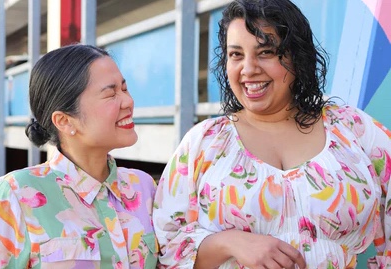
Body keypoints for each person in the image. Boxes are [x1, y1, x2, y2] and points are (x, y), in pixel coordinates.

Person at [152, 0, 391, 268]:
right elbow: (165, 246)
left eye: (265, 52)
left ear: (296, 57)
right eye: (236, 55)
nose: (249, 69)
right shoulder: (204, 143)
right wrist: (228, 242)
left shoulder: (351, 129)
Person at [0, 44, 158, 268]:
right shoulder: (15, 194)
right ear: (64, 121)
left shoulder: (144, 187)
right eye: (110, 94)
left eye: (125, 89)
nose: (128, 102)